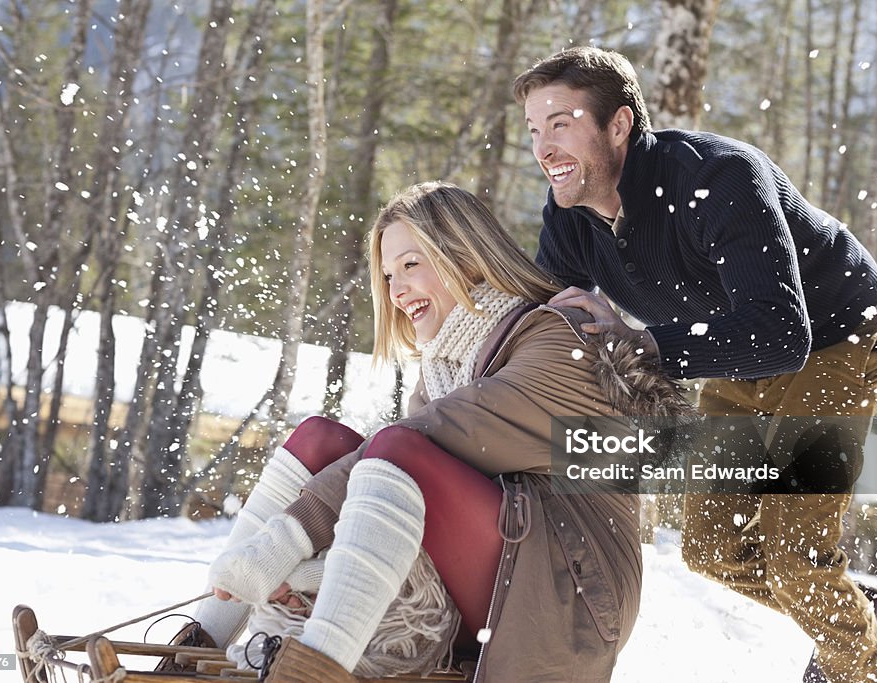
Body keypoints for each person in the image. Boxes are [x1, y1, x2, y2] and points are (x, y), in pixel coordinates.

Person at [167, 181, 690, 682]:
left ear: (465, 255)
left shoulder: (556, 342)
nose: (396, 291)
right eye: (388, 275)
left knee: (398, 449)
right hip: (487, 578)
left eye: (411, 265)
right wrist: (305, 572)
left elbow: (423, 445)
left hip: (568, 596)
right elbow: (402, 516)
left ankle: (314, 668)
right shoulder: (446, 366)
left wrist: (285, 540)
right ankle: (200, 640)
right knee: (320, 439)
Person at [513, 47, 877, 683]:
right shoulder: (570, 216)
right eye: (533, 128)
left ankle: (860, 670)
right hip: (736, 352)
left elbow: (781, 333)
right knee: (713, 550)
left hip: (840, 338)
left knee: (796, 556)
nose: (543, 147)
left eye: (561, 123)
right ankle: (848, 613)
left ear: (619, 125)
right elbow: (548, 323)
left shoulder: (719, 179)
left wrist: (646, 346)